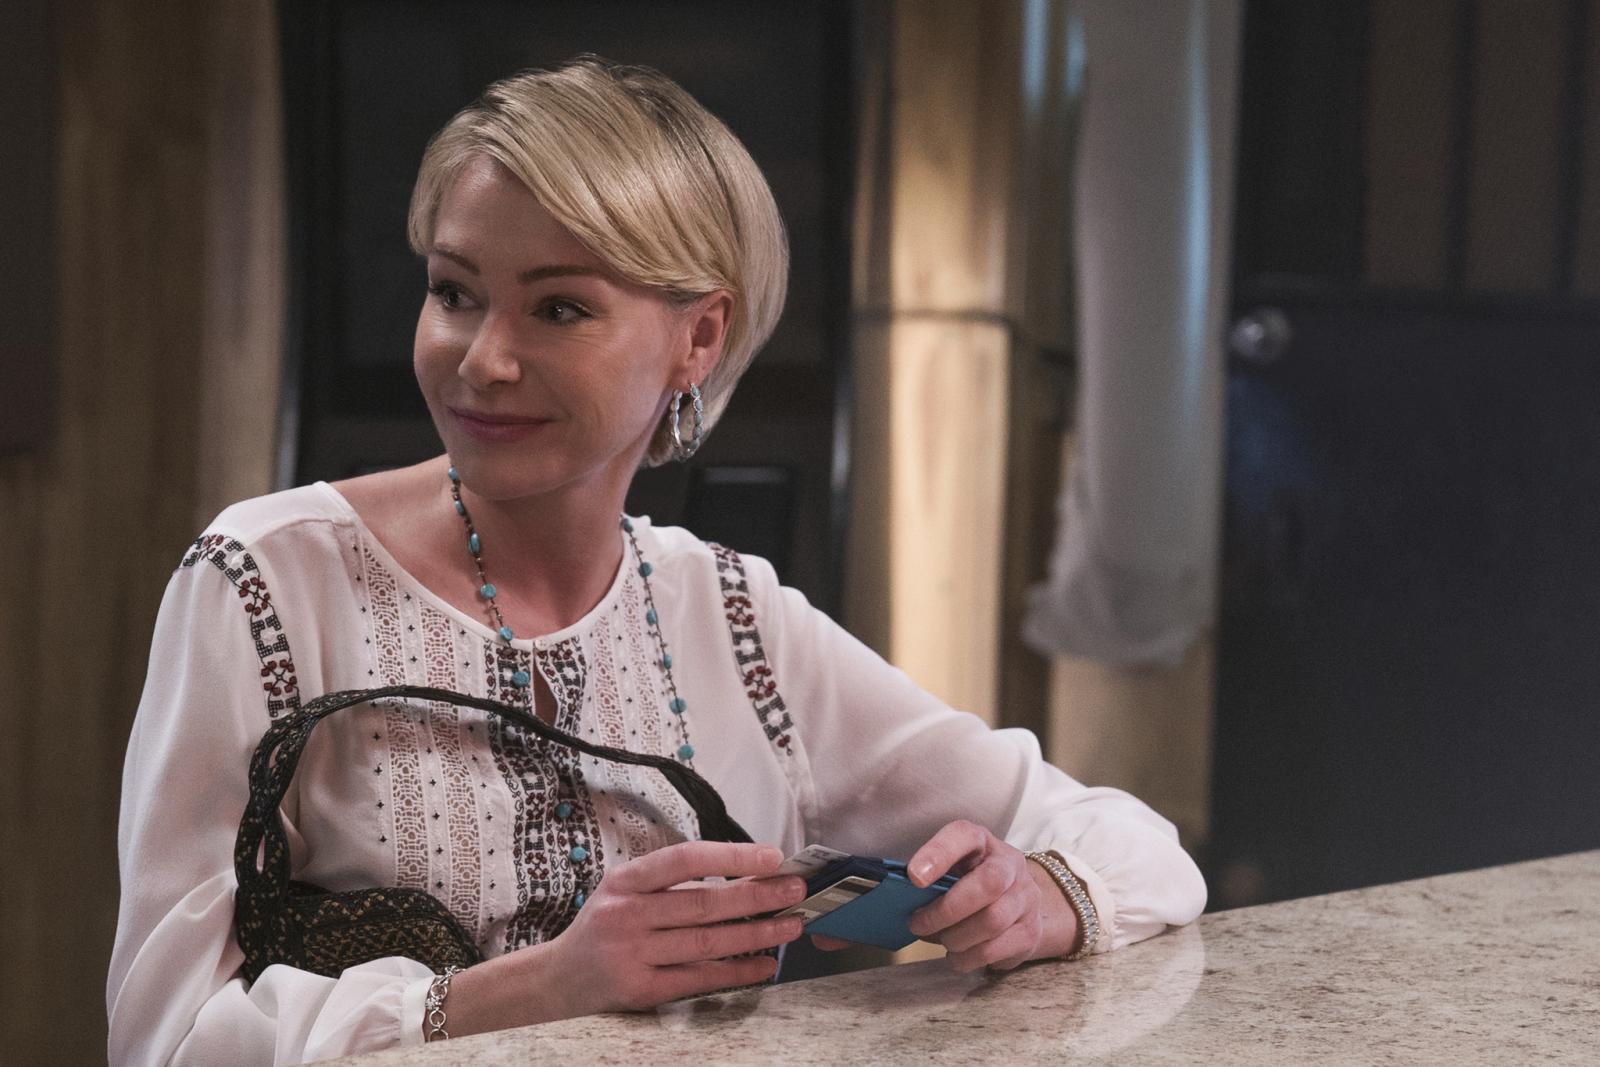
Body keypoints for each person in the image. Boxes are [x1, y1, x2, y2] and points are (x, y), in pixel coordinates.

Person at [107, 57, 1206, 1065]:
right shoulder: (264, 581)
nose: (482, 358)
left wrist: (1039, 895)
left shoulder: (734, 618)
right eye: (454, 291)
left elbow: (1130, 845)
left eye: (559, 307)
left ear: (699, 337)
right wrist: (534, 987)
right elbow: (163, 1037)